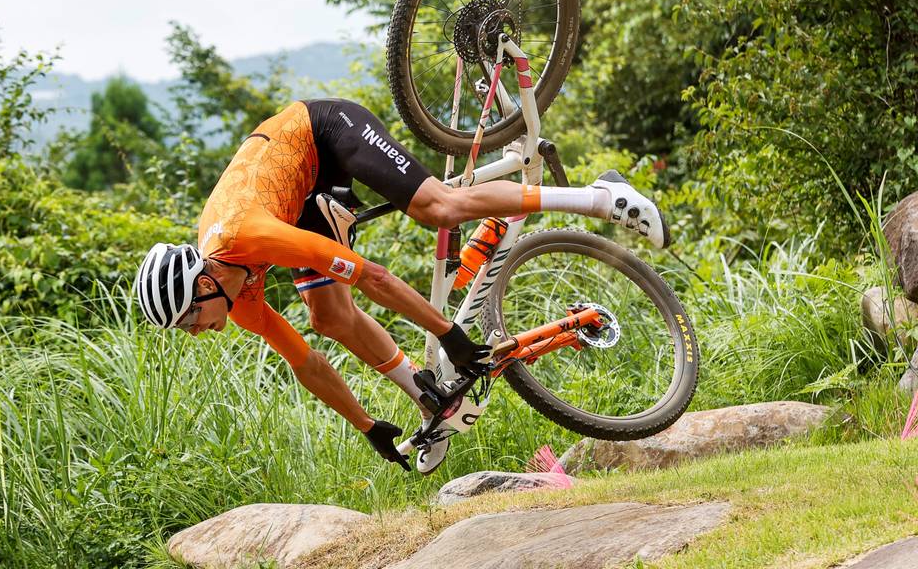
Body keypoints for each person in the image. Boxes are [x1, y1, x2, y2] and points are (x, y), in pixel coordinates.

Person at [135, 98, 668, 473]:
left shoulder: (247, 236)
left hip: (321, 133)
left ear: (203, 286)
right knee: (328, 317)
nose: (196, 332)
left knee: (439, 207)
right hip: (296, 199)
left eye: (189, 320)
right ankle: (430, 399)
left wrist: (449, 335)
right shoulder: (237, 300)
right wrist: (367, 426)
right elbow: (307, 363)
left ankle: (600, 198)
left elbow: (374, 277)